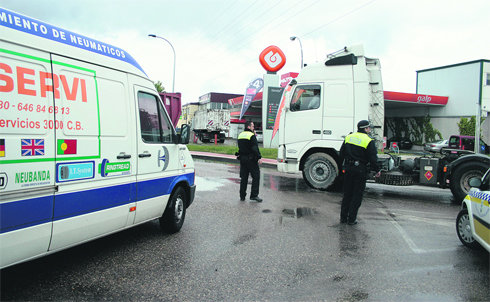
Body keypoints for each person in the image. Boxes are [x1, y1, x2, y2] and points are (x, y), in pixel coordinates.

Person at [339, 120, 379, 225]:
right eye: (369, 128)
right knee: (357, 195)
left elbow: (341, 154)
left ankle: (343, 218)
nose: (369, 130)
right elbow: (373, 158)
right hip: (360, 170)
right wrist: (377, 170)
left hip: (348, 168)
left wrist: (341, 167)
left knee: (347, 194)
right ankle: (351, 219)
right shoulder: (369, 140)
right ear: (365, 129)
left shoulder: (349, 137)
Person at [237, 121, 263, 202]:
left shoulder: (240, 135)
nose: (253, 128)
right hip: (251, 159)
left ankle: (242, 196)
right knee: (256, 176)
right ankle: (254, 195)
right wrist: (259, 157)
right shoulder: (251, 135)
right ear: (249, 127)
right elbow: (254, 148)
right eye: (252, 126)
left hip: (242, 159)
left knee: (244, 178)